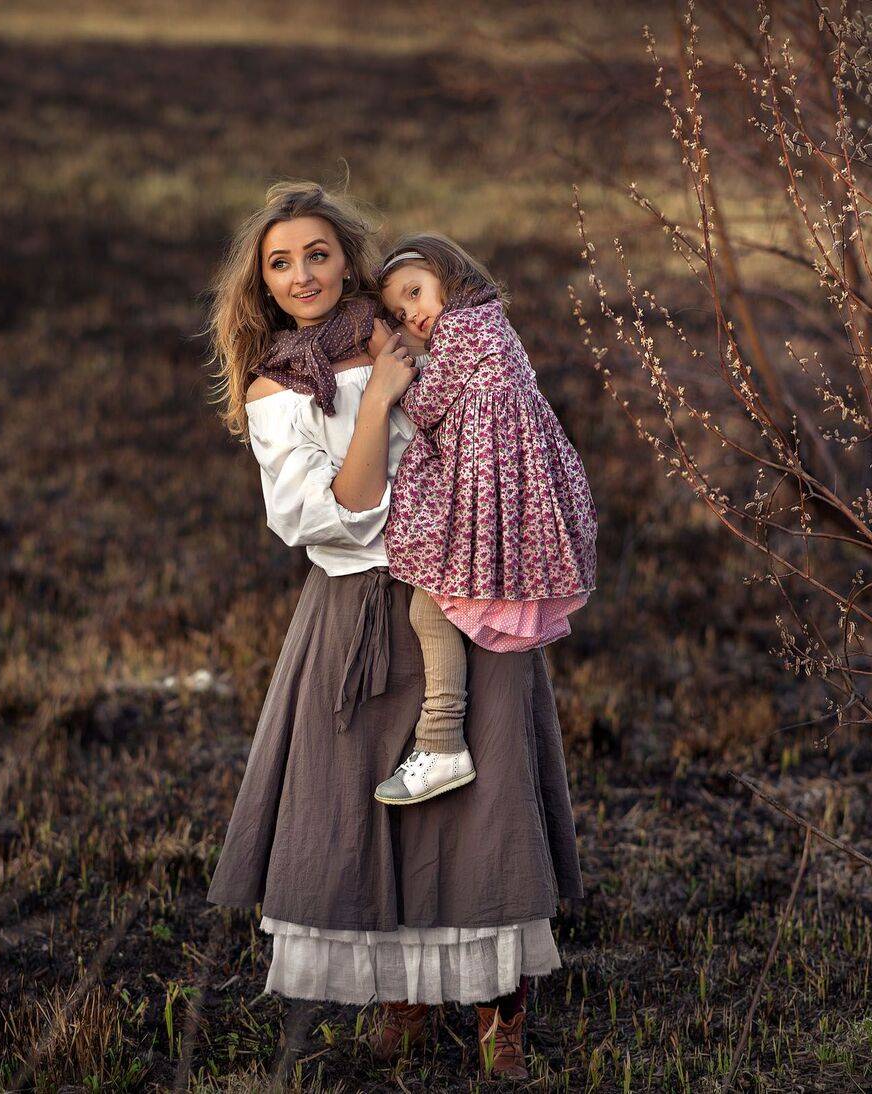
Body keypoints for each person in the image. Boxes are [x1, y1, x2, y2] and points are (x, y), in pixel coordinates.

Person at [204, 180, 586, 1081]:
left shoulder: (417, 332)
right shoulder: (276, 388)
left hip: (466, 591)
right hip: (359, 611)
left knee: (484, 804)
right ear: (261, 282)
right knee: (369, 805)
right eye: (281, 262)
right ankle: (404, 994)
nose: (303, 275)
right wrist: (377, 401)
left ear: (349, 259)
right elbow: (338, 514)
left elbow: (498, 420)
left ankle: (502, 1012)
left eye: (319, 254)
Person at [371, 233, 598, 809]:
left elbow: (422, 405)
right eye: (400, 313)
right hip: (503, 490)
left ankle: (443, 741)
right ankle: (443, 740)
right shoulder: (487, 326)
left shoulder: (467, 328)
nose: (414, 315)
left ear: (449, 274)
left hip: (489, 492)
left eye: (416, 293)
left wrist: (386, 364)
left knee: (430, 602)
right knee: (437, 603)